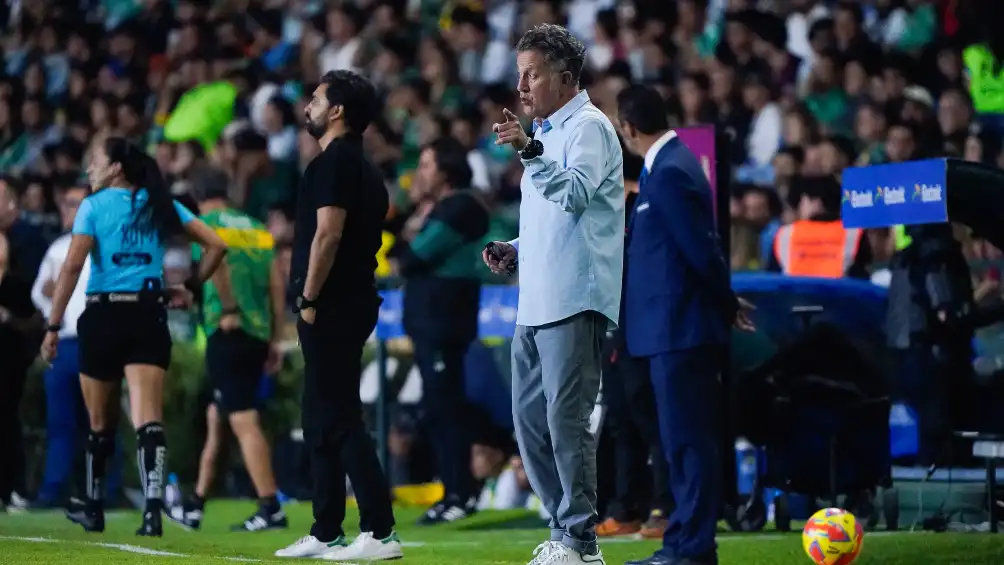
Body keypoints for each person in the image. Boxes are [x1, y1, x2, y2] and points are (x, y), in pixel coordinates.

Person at [40, 137, 236, 537]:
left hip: (104, 313)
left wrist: (53, 326)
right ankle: (152, 512)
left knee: (100, 422)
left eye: (95, 161)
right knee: (148, 418)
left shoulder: (93, 206)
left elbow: (72, 267)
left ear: (115, 168)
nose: (89, 168)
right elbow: (217, 245)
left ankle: (93, 508)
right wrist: (190, 287)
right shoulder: (159, 202)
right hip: (148, 312)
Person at [485, 23, 624, 565]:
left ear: (565, 79)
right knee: (529, 427)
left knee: (566, 425)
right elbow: (551, 218)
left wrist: (528, 150)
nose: (522, 87)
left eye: (532, 75)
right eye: (520, 75)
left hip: (574, 298)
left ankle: (581, 542)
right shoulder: (546, 133)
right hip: (535, 300)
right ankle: (563, 528)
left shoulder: (589, 128)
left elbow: (576, 195)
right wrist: (515, 247)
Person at [616, 85, 754, 565]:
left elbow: (701, 249)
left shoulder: (672, 171)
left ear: (628, 127)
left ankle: (693, 547)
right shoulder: (667, 167)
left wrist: (725, 302)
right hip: (668, 330)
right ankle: (681, 542)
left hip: (680, 330)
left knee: (690, 443)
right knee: (679, 443)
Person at [273, 70, 400, 561]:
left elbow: (327, 234)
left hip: (332, 305)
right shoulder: (363, 167)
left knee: (340, 417)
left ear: (338, 111)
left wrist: (308, 299)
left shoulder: (334, 164)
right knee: (319, 417)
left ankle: (381, 532)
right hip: (347, 301)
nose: (308, 105)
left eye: (316, 98)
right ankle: (327, 528)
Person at [167, 167, 287, 532]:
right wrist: (275, 338)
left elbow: (215, 261)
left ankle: (270, 506)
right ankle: (195, 505)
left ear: (198, 196)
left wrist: (229, 308)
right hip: (257, 332)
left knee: (242, 420)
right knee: (218, 418)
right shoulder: (256, 228)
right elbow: (276, 284)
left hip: (228, 330)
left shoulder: (205, 224)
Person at [394, 136, 490, 525]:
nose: (419, 173)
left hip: (443, 320)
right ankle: (454, 490)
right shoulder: (441, 208)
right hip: (433, 321)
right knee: (438, 406)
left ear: (446, 171)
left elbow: (413, 258)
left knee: (445, 407)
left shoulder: (459, 207)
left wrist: (414, 231)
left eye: (427, 165)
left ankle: (458, 493)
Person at [32, 183, 123, 508]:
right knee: (61, 422)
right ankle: (53, 490)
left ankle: (108, 490)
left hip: (98, 339)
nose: (66, 209)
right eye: (65, 203)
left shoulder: (108, 243)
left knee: (102, 421)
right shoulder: (58, 248)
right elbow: (39, 291)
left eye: (74, 203)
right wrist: (51, 309)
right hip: (66, 340)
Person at [0, 230, 41, 513]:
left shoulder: (17, 286)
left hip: (10, 368)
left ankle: (13, 489)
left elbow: (34, 321)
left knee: (9, 426)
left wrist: (9, 318)